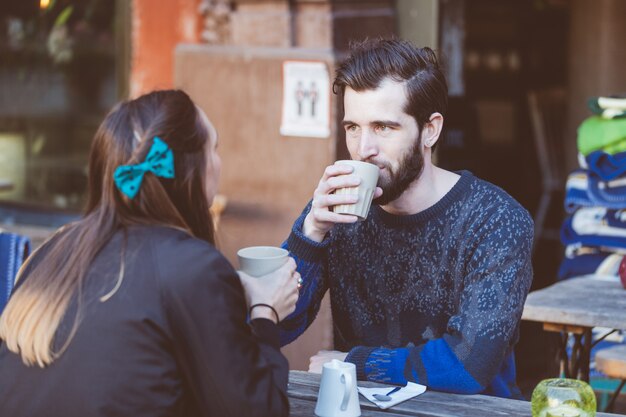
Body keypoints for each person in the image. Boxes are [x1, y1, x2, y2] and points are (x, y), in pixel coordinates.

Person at [0, 89, 299, 417]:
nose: (219, 161)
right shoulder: (194, 268)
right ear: (192, 167)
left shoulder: (54, 250)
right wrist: (265, 312)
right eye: (214, 148)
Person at [279, 39, 534, 399]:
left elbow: (468, 366)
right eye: (353, 127)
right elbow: (275, 328)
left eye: (383, 127)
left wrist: (357, 362)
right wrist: (310, 235)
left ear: (430, 129)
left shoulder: (495, 219)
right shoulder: (337, 207)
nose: (363, 148)